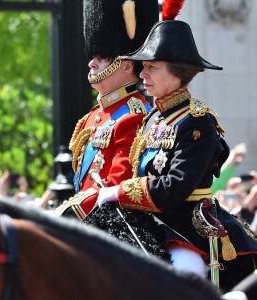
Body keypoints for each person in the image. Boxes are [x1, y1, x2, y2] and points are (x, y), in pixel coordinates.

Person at [96, 4, 257, 292]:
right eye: (144, 67)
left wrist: (119, 192)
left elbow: (174, 187)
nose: (143, 75)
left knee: (186, 274)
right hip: (149, 220)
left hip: (188, 225)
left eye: (152, 67)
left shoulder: (198, 122)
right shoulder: (151, 119)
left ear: (177, 73)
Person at [51, 0, 159, 220]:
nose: (92, 64)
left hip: (116, 222)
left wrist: (70, 213)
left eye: (101, 58)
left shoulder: (135, 115)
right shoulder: (91, 117)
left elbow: (118, 181)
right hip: (90, 218)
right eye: (93, 57)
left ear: (127, 66)